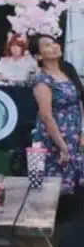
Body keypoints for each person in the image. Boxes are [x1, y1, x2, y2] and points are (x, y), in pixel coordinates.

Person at [30, 34, 84, 223]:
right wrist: (62, 146)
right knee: (55, 193)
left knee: (75, 192)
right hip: (54, 139)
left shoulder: (68, 71)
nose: (53, 46)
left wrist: (82, 132)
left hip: (73, 136)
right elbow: (46, 115)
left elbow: (79, 101)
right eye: (46, 45)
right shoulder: (41, 80)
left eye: (54, 42)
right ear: (38, 56)